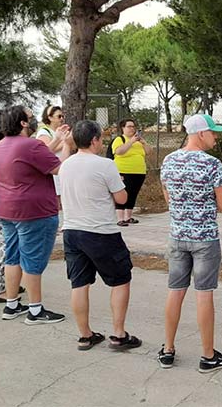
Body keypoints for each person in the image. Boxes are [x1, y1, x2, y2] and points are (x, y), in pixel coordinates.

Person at [159, 114, 222, 373]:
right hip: (205, 239)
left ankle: (168, 349)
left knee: (175, 291)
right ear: (201, 133)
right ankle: (208, 355)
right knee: (204, 294)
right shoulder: (212, 165)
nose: (216, 137)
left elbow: (170, 202)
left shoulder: (168, 161)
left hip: (178, 236)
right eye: (213, 132)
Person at [60, 120, 141, 351]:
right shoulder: (105, 165)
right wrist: (120, 185)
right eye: (100, 138)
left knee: (79, 283)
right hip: (101, 231)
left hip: (72, 230)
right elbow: (122, 199)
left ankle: (85, 335)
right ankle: (118, 334)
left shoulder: (65, 165)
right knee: (121, 279)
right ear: (94, 140)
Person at [0, 106, 68, 324]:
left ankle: (12, 304)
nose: (34, 120)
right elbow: (58, 168)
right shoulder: (31, 144)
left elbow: (37, 158)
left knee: (13, 256)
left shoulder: (1, 145)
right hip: (32, 210)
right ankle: (35, 310)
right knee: (33, 259)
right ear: (23, 124)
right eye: (30, 118)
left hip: (6, 208)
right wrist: (66, 145)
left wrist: (57, 140)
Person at [0, 110, 25, 304]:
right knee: (5, 243)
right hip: (3, 197)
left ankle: (9, 282)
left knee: (8, 241)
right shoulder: (2, 147)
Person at [112, 118, 147, 227]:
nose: (132, 128)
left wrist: (144, 143)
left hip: (139, 172)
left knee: (133, 194)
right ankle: (120, 218)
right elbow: (119, 151)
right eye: (129, 126)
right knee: (123, 193)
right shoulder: (120, 139)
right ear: (123, 128)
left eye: (133, 126)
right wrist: (131, 142)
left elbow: (149, 152)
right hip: (124, 171)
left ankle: (128, 216)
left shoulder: (138, 141)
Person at [36, 105, 70, 205]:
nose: (62, 119)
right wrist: (64, 142)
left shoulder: (59, 131)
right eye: (59, 116)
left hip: (61, 169)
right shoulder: (44, 132)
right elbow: (45, 152)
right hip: (53, 173)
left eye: (63, 116)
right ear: (50, 117)